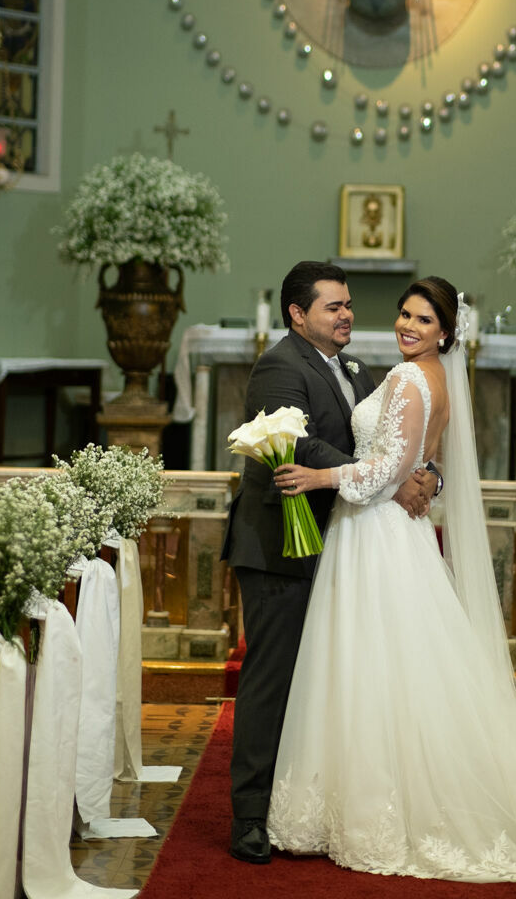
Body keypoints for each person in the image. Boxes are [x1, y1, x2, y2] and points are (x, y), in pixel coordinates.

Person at [269, 278, 516, 884]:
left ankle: (372, 812)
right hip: (391, 530)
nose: (408, 326)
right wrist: (428, 478)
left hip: (374, 532)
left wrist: (319, 478)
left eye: (424, 320)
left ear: (446, 332)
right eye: (404, 314)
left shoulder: (408, 378)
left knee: (370, 665)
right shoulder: (438, 380)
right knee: (391, 665)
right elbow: (424, 463)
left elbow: (386, 468)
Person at [220, 261, 438, 865]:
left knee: (323, 679)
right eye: (333, 307)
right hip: (280, 542)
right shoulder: (279, 366)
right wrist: (386, 479)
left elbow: (394, 443)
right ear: (298, 314)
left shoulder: (357, 368)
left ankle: (310, 805)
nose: (347, 315)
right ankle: (248, 816)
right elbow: (301, 445)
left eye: (348, 305)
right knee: (273, 677)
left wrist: (424, 475)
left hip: (343, 543)